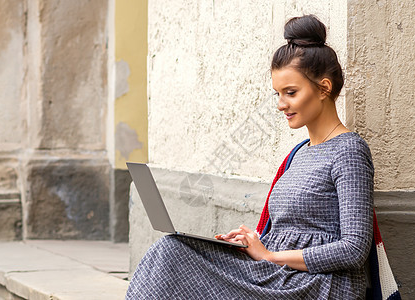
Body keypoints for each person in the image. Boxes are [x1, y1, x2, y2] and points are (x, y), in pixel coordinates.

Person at [126, 14, 374, 299]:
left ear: (324, 88)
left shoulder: (349, 150)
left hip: (315, 283)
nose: (281, 104)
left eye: (290, 92)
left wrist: (269, 256)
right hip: (275, 271)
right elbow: (285, 231)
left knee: (174, 257)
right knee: (173, 248)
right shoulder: (298, 154)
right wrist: (251, 242)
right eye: (277, 94)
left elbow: (354, 249)